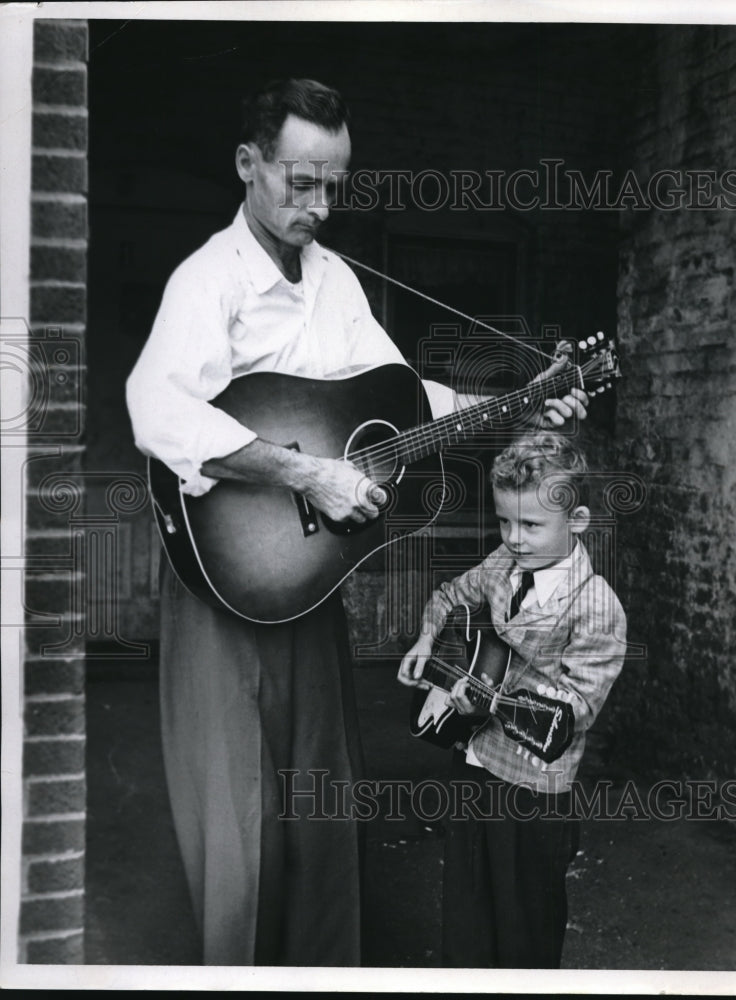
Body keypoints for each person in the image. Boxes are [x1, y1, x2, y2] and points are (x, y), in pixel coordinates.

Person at [126, 78, 589, 967]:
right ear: (248, 166)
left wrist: (522, 406)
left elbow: (404, 399)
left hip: (305, 580)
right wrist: (305, 472)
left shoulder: (333, 280)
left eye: (335, 185)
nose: (320, 205)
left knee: (324, 797)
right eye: (302, 182)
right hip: (224, 580)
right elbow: (159, 414)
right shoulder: (206, 282)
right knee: (239, 820)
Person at [398, 430, 627, 968]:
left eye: (530, 525)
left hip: (532, 794)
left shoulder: (597, 608)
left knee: (525, 932)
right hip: (472, 767)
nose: (514, 538)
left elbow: (570, 713)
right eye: (504, 521)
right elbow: (450, 595)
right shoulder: (504, 562)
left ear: (577, 522)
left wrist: (488, 701)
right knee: (467, 919)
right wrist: (429, 639)